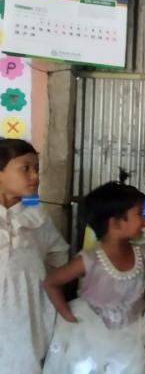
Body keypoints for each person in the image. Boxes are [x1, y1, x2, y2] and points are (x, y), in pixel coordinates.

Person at [43, 175, 145, 374]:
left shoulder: (140, 254)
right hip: (90, 337)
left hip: (131, 335)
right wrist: (65, 314)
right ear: (115, 223)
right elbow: (51, 282)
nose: (144, 221)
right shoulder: (91, 259)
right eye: (139, 214)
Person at [0, 139, 69, 374]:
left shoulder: (36, 217)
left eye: (37, 169)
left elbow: (59, 253)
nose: (35, 176)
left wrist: (46, 282)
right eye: (25, 168)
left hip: (30, 314)